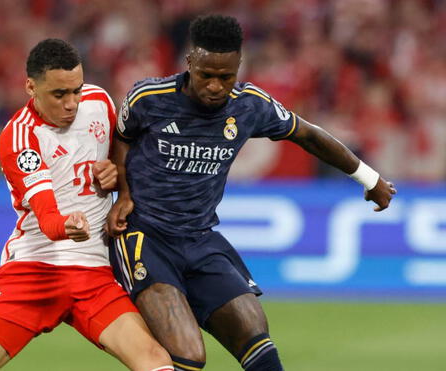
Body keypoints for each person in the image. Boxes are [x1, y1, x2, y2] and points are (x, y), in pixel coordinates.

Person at [106, 15, 397, 371]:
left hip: (200, 240)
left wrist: (369, 178)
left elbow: (309, 135)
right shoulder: (148, 98)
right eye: (206, 76)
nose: (215, 86)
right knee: (189, 354)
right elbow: (122, 137)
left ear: (238, 68)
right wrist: (122, 192)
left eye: (225, 77)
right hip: (145, 237)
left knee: (256, 335)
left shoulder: (250, 105)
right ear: (189, 64)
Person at [0, 38, 173, 371]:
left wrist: (115, 174)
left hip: (93, 272)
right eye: (59, 94)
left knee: (155, 361)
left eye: (76, 90)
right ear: (30, 87)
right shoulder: (20, 138)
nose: (71, 103)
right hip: (32, 268)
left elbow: (121, 159)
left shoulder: (98, 101)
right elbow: (49, 218)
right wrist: (68, 226)